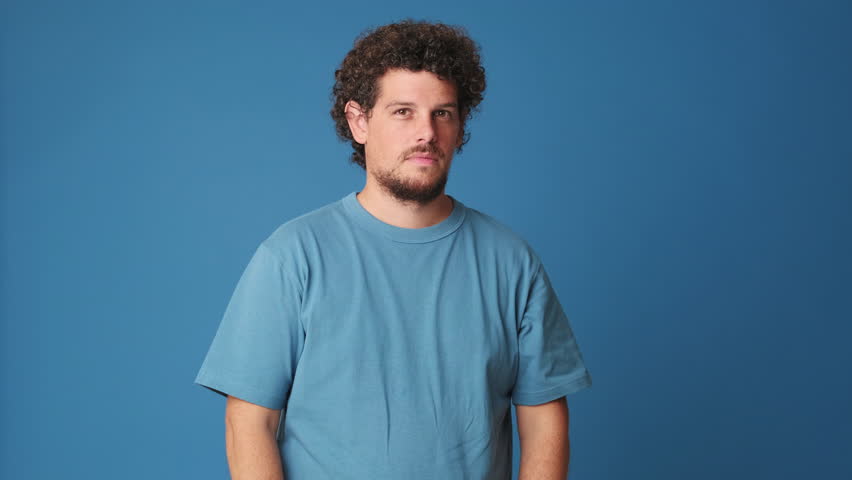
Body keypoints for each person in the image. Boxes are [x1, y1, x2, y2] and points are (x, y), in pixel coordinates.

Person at [194, 19, 592, 480]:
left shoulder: (512, 263)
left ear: (460, 126)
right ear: (359, 121)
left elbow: (545, 426)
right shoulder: (292, 256)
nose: (426, 132)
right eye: (403, 111)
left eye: (442, 113)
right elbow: (249, 423)